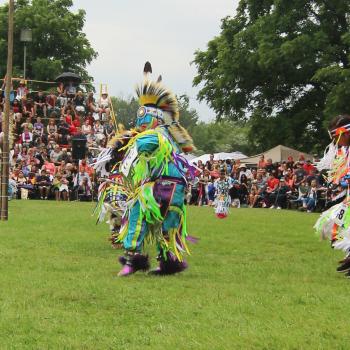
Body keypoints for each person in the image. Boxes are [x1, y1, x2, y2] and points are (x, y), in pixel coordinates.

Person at [94, 62, 196, 277]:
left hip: (170, 186)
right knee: (137, 214)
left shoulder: (158, 135)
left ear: (154, 119)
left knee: (166, 224)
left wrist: (129, 143)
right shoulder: (153, 134)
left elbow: (142, 146)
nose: (139, 124)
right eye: (139, 121)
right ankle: (135, 260)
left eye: (143, 120)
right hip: (152, 185)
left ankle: (165, 263)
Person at [314, 114, 350, 277]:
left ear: (346, 132)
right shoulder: (346, 151)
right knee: (331, 223)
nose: (335, 141)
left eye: (336, 136)